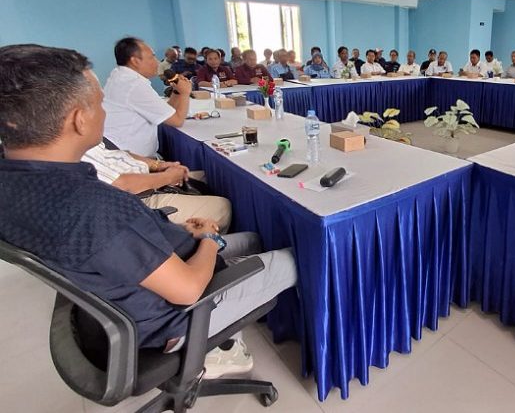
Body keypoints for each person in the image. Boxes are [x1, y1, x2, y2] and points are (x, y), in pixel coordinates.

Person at [0, 44, 297, 378]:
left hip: (139, 279)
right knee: (298, 260)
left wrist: (187, 233)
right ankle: (224, 344)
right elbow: (187, 290)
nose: (105, 113)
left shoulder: (14, 184)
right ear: (79, 120)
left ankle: (237, 321)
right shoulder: (92, 208)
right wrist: (211, 239)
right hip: (172, 316)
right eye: (99, 104)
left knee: (255, 239)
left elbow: (123, 244)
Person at [82, 141, 232, 232]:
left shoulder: (83, 139)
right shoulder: (74, 152)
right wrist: (167, 177)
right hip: (139, 199)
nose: (104, 111)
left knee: (211, 176)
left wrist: (158, 165)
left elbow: (118, 154)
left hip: (144, 176)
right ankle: (208, 251)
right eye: (98, 105)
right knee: (221, 206)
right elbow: (121, 186)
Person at [103, 37, 191, 157]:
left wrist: (177, 92)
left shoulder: (120, 75)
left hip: (122, 154)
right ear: (135, 61)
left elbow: (166, 114)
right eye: (152, 57)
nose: (157, 62)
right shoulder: (134, 84)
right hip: (129, 161)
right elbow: (177, 121)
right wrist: (186, 93)